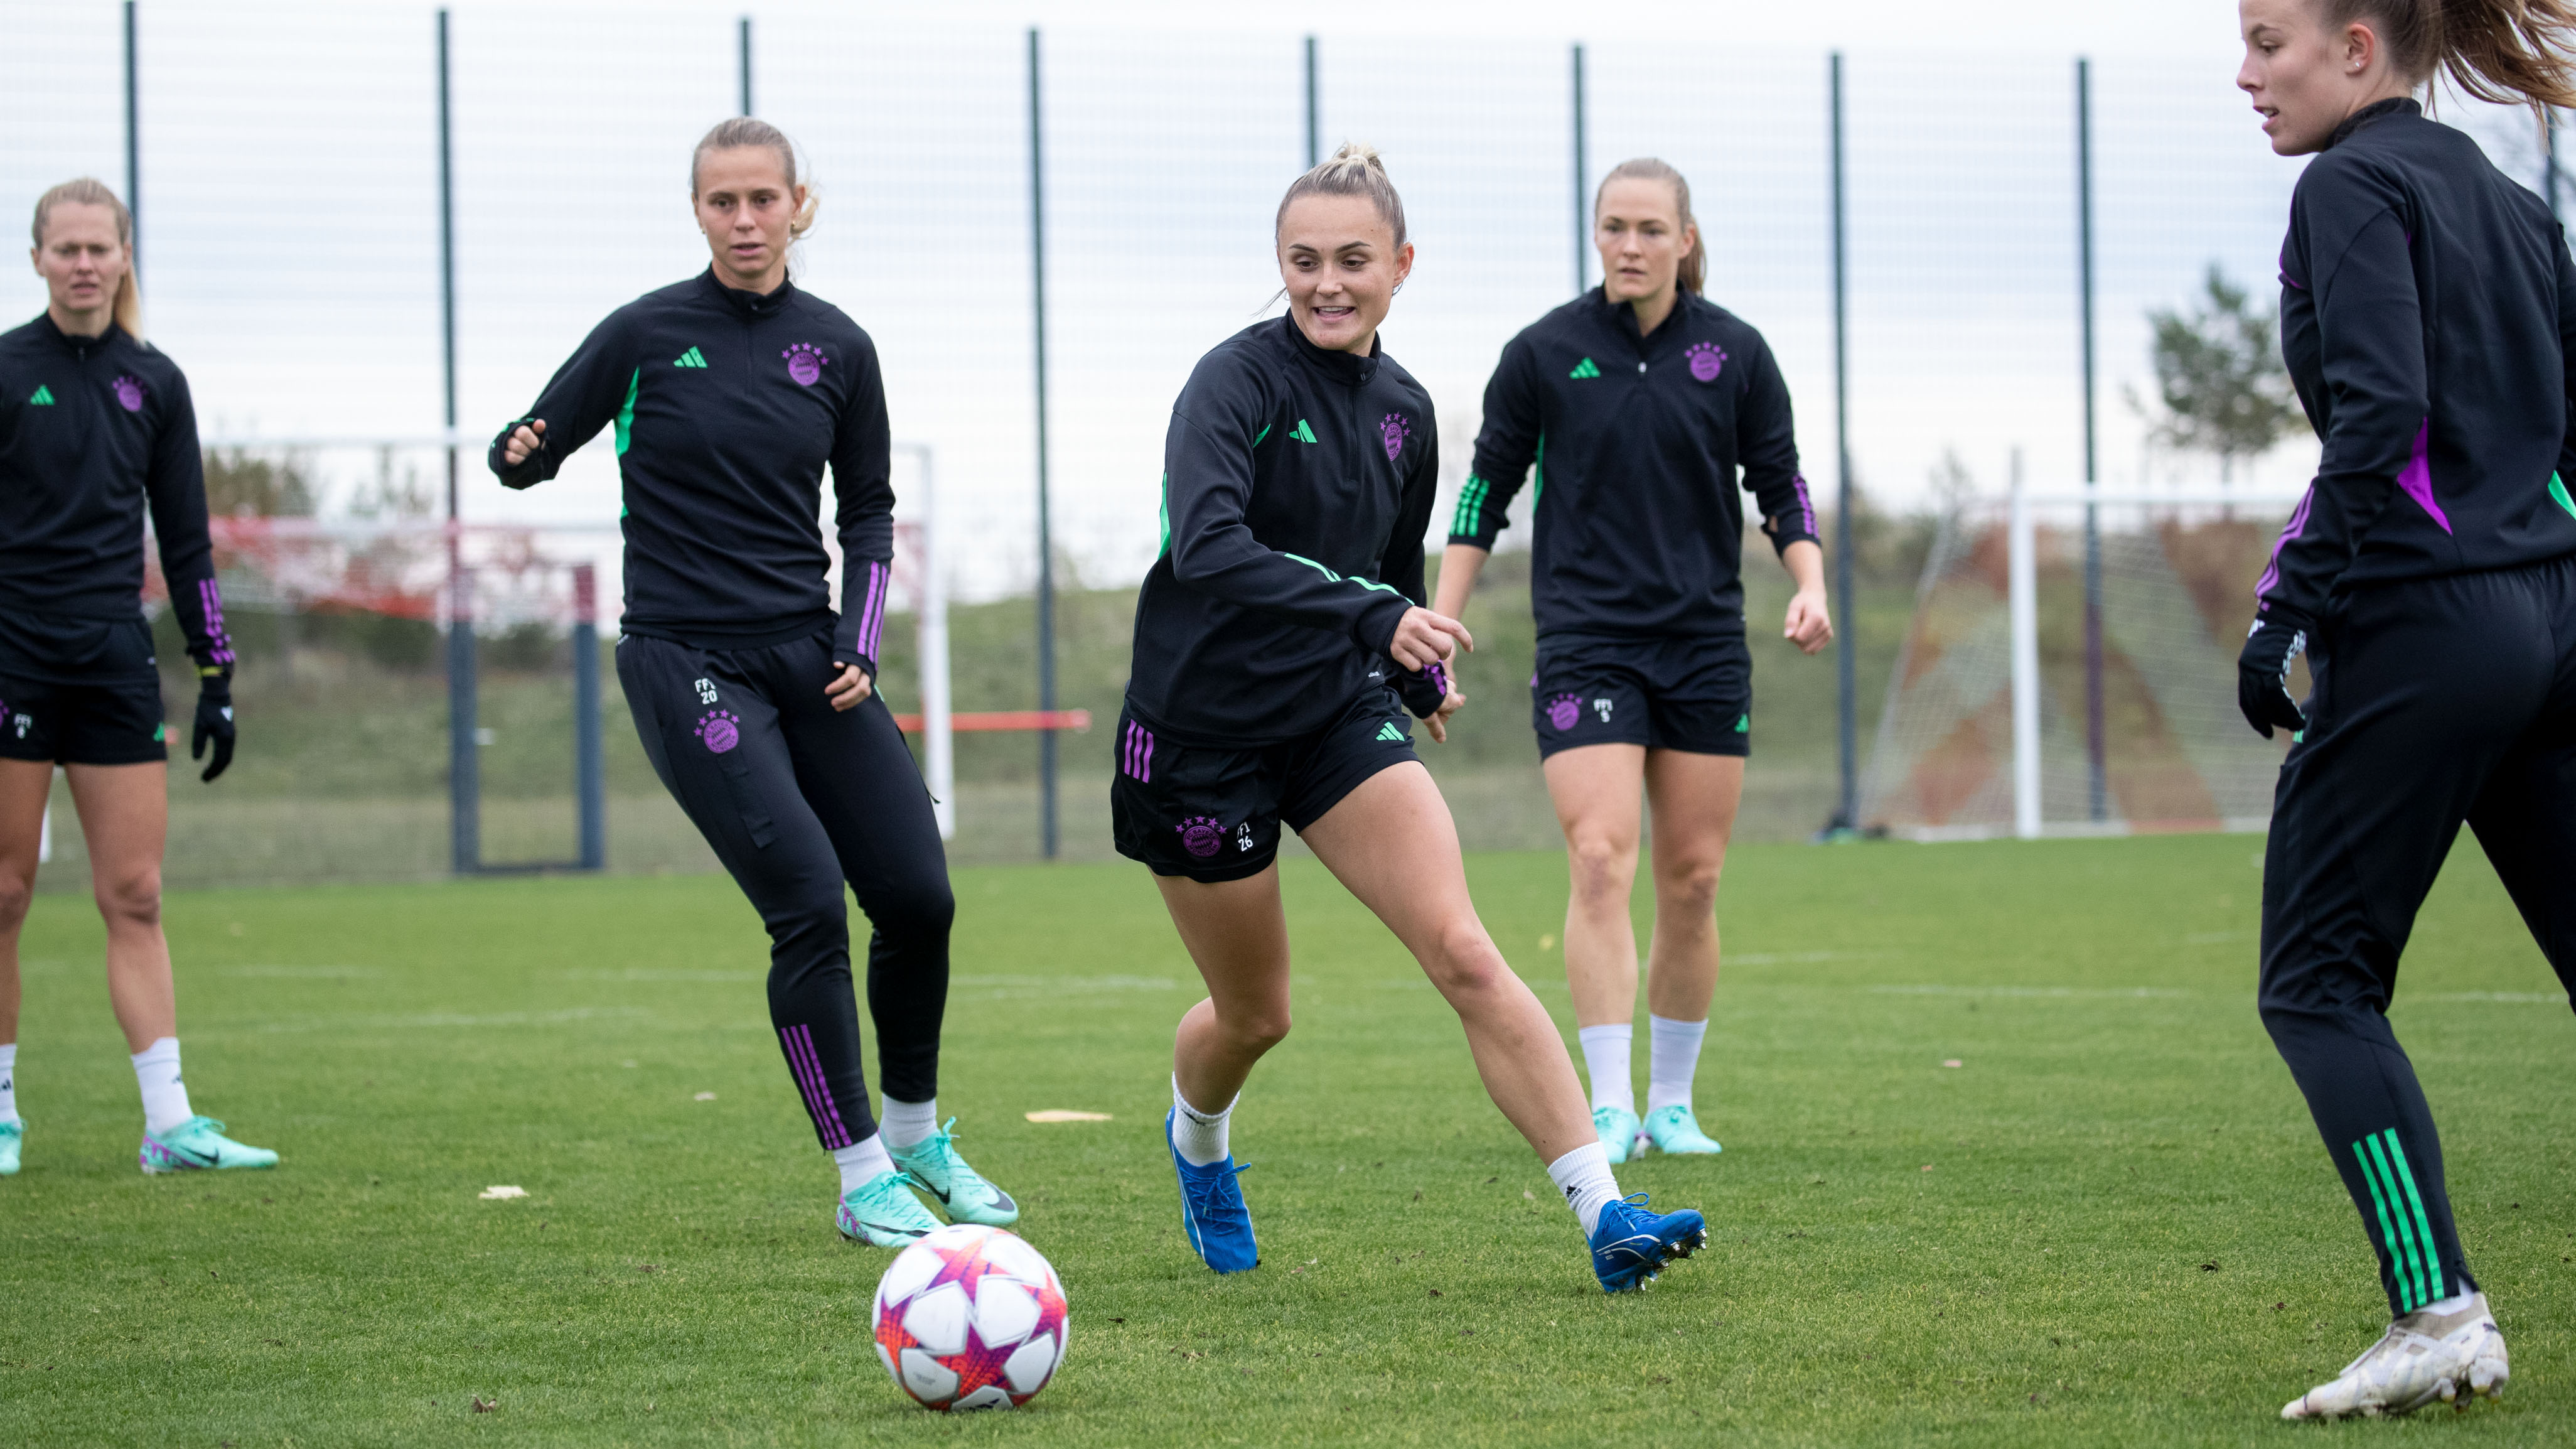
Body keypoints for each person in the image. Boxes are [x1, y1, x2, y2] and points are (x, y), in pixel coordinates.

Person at [1116, 142, 1707, 1293]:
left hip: (1332, 719)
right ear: (1278, 266)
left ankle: (1606, 1215)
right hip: (1197, 738)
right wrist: (1377, 619)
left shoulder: (1402, 412)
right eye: (1303, 262)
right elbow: (1211, 547)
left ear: (1402, 265)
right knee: (1256, 1013)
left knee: (1466, 951)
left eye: (1353, 261)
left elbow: (1391, 564)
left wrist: (1411, 676)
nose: (1327, 284)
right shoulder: (1231, 384)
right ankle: (1199, 1143)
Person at [490, 119, 1011, 1248]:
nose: (743, 220)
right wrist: (521, 449)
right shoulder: (641, 334)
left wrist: (859, 643)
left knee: (920, 896)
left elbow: (867, 511)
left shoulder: (840, 347)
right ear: (697, 210)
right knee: (810, 907)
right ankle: (861, 1171)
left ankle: (918, 1133)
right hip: (685, 660)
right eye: (721, 201)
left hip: (809, 654)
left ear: (798, 206)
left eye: (762, 200)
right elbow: (532, 442)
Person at [2233, 0, 2576, 1419]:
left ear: (2360, 47)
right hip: (2554, 609)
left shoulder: (2349, 183)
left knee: (2316, 981)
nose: (2246, 76)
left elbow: (2380, 416)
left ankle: (2436, 1309)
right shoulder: (2508, 200)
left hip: (2430, 621)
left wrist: (2289, 607)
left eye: (2269, 42)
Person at [1433, 159, 1831, 1168]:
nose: (1629, 245)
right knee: (1601, 859)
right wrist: (1438, 628)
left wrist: (1810, 582)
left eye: (1651, 228)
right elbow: (1485, 494)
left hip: (1702, 647)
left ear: (1685, 240)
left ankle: (1675, 1104)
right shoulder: (1543, 353)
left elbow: (1779, 483)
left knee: (1692, 879)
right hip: (1586, 643)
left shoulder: (1736, 354)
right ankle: (1608, 1105)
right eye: (1614, 226)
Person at [0, 178, 267, 1178]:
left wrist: (218, 676)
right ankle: (2, 1119)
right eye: (62, 248)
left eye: (97, 248)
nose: (81, 264)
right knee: (5, 891)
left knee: (137, 894)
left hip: (113, 663)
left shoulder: (154, 382)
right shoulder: (7, 369)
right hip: (12, 654)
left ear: (122, 256)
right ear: (36, 259)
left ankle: (170, 1126)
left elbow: (189, 545)